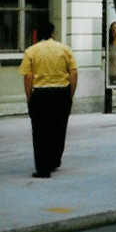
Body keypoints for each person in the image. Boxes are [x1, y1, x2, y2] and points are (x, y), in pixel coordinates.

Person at [18, 22, 78, 178]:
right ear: (53, 33)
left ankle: (43, 169)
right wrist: (70, 94)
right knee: (59, 128)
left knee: (40, 132)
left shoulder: (31, 51)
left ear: (38, 34)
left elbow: (28, 77)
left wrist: (29, 97)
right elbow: (73, 73)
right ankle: (54, 160)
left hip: (40, 95)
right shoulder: (65, 49)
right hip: (61, 93)